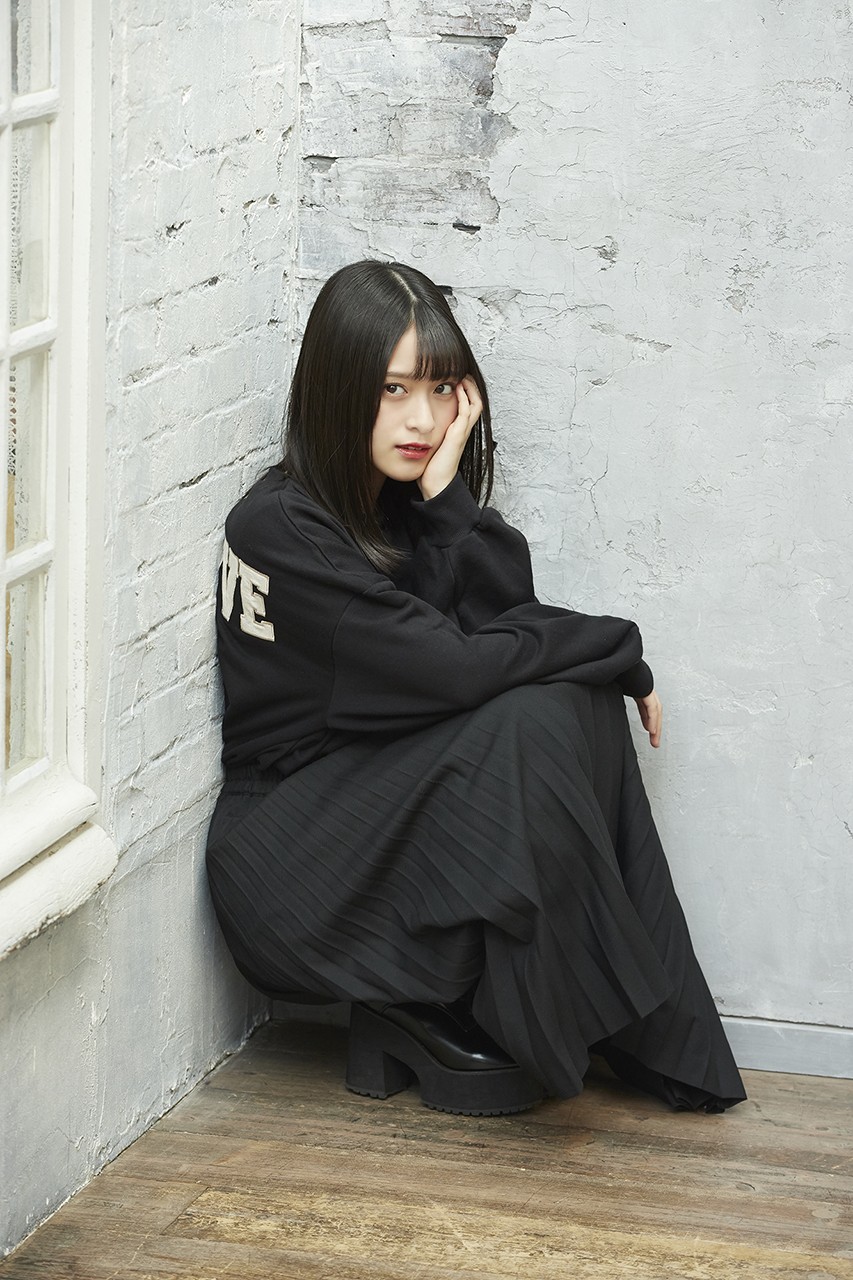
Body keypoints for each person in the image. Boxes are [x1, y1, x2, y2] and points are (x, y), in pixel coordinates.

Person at [206, 260, 746, 1117]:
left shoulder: (391, 504)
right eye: (392, 389)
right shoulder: (280, 529)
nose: (422, 419)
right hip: (290, 863)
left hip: (373, 805)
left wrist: (447, 498)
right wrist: (617, 645)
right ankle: (525, 1009)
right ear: (338, 386)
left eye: (440, 389)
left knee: (565, 700)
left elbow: (506, 626)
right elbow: (461, 670)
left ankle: (623, 1026)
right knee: (541, 709)